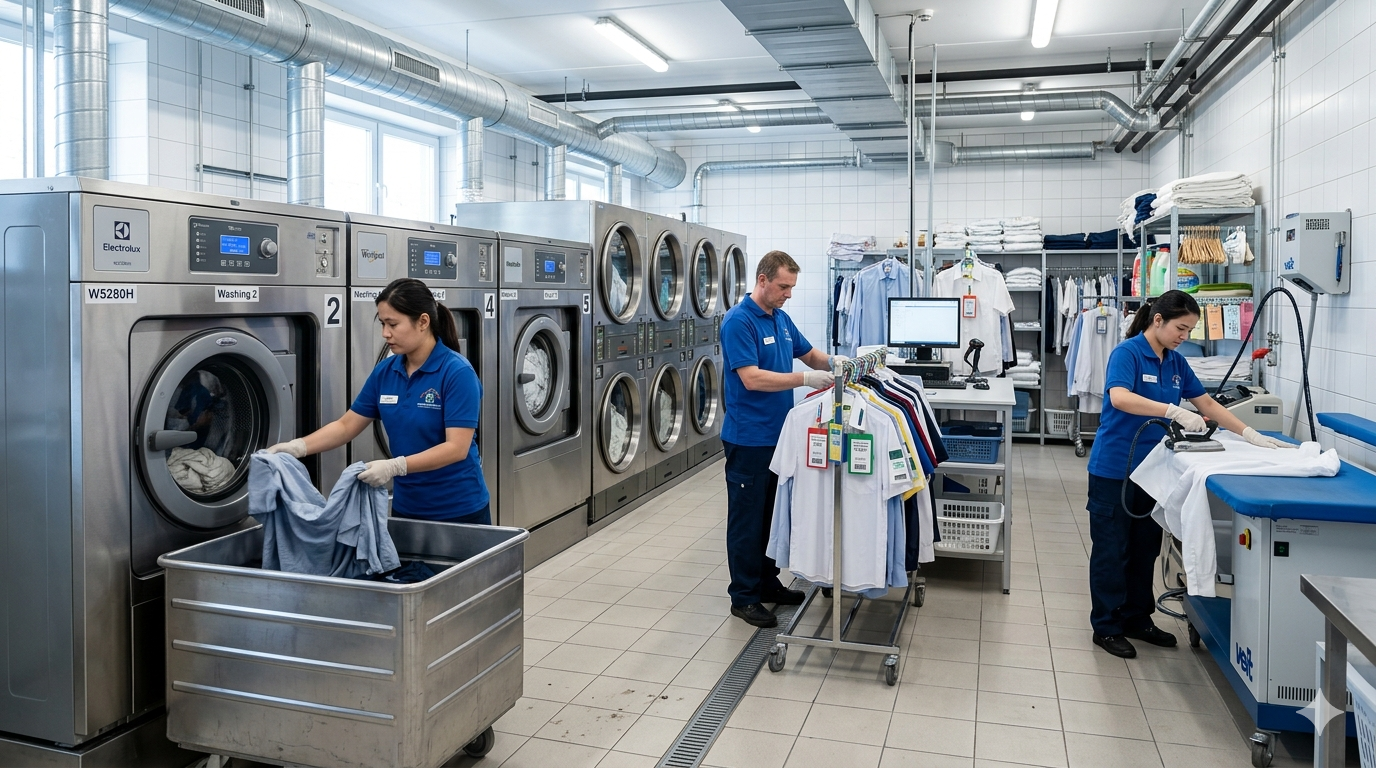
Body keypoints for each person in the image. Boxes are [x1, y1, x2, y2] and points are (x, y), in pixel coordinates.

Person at [1086, 290, 1292, 658]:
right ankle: (1106, 626)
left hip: (1154, 472)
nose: (1184, 336)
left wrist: (1249, 434)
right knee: (1111, 551)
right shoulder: (1128, 353)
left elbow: (1207, 403)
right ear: (1158, 320)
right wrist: (1173, 412)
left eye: (1190, 330)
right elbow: (1119, 397)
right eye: (1181, 328)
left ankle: (1138, 618)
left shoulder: (1176, 363)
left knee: (1144, 548)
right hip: (1115, 469)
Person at [266, 278, 491, 525]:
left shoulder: (456, 372)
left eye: (393, 324)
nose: (385, 333)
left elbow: (456, 448)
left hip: (459, 509)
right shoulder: (386, 371)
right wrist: (298, 447)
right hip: (408, 507)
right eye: (382, 323)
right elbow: (346, 426)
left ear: (423, 322)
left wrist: (395, 467)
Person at [720, 250, 843, 628]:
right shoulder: (739, 322)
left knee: (773, 515)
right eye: (783, 286)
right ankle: (743, 596)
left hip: (780, 436)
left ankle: (767, 583)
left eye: (791, 287)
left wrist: (840, 364)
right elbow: (752, 378)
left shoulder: (781, 319)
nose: (788, 293)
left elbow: (808, 354)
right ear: (762, 280)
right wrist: (804, 380)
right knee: (747, 519)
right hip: (749, 438)